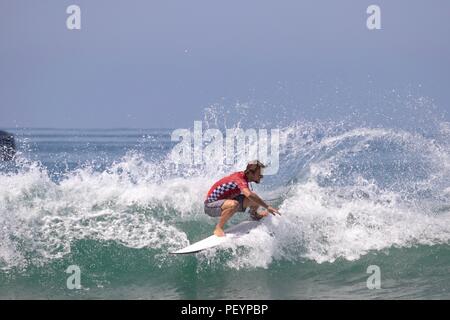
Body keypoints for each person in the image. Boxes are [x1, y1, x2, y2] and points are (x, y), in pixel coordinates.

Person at [204, 160, 281, 237]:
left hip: (224, 200)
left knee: (255, 199)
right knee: (235, 204)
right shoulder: (239, 178)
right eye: (259, 174)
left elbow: (251, 196)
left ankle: (255, 215)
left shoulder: (244, 177)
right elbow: (248, 194)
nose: (261, 176)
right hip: (211, 206)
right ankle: (218, 227)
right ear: (250, 173)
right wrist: (267, 207)